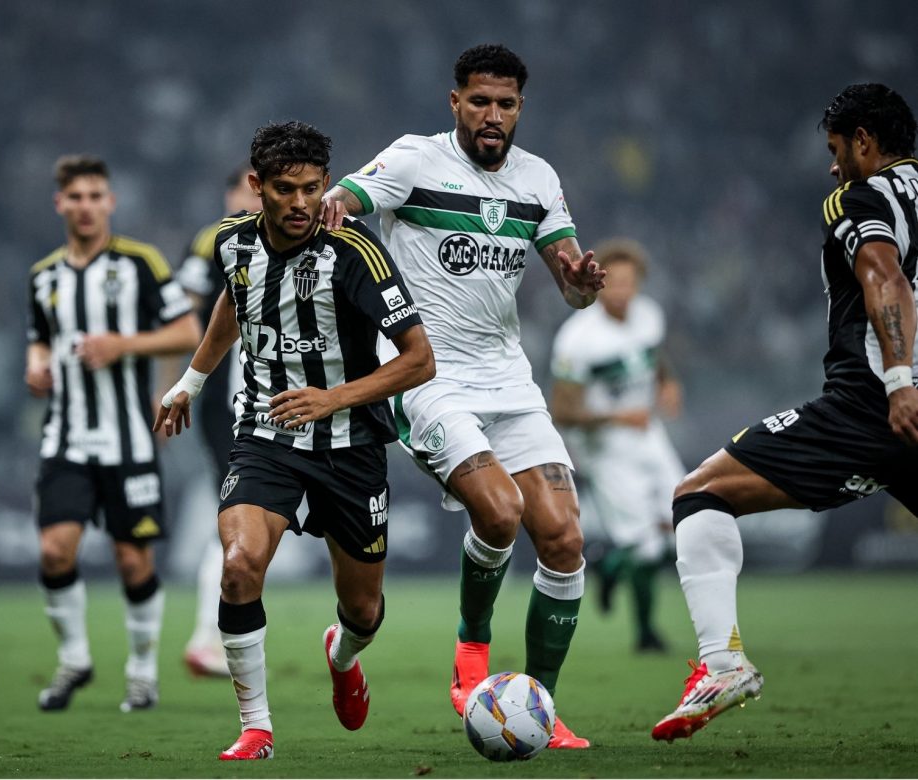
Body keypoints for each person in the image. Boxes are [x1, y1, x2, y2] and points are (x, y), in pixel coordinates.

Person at [321, 43, 605, 748]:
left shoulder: (538, 178)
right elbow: (343, 201)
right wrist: (330, 207)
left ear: (520, 108)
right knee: (501, 511)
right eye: (480, 101)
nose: (492, 115)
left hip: (508, 378)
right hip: (426, 375)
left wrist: (580, 286)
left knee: (565, 538)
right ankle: (470, 651)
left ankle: (541, 705)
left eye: (506, 104)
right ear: (456, 102)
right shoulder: (414, 160)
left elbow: (570, 284)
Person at [156, 121, 435, 760]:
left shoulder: (355, 252)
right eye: (286, 189)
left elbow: (420, 360)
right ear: (258, 187)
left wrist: (331, 399)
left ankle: (343, 656)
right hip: (266, 433)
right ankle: (256, 728)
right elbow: (233, 306)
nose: (302, 202)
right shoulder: (231, 242)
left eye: (312, 188)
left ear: (325, 183)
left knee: (363, 611)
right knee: (238, 566)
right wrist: (192, 382)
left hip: (350, 444)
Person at [651, 83, 918, 741]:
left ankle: (723, 666)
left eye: (836, 149)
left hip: (871, 406)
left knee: (699, 493)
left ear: (863, 142)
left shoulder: (859, 197)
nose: (832, 167)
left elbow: (884, 276)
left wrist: (900, 381)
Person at [25, 155, 201, 713]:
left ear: (111, 202)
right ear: (60, 203)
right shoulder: (44, 276)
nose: (86, 206)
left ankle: (142, 672)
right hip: (66, 438)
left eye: (95, 196)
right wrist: (35, 366)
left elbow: (187, 331)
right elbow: (39, 338)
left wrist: (121, 345)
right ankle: (73, 659)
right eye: (76, 197)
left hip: (129, 440)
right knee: (54, 550)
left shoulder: (140, 264)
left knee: (133, 562)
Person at [549, 238, 684, 653]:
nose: (623, 291)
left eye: (630, 282)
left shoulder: (649, 315)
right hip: (604, 447)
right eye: (616, 283)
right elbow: (563, 411)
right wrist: (616, 417)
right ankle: (646, 634)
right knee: (645, 545)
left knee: (687, 519)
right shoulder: (577, 339)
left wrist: (667, 383)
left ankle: (608, 567)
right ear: (601, 283)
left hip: (648, 434)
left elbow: (653, 357)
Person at [175, 165, 262, 679]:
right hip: (229, 402)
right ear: (230, 194)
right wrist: (174, 384)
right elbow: (182, 321)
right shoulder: (216, 238)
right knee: (235, 517)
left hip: (263, 400)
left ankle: (217, 633)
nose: (256, 200)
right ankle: (209, 636)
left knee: (241, 518)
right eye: (249, 189)